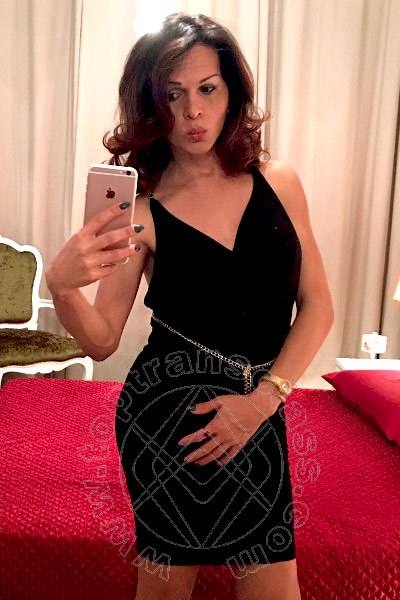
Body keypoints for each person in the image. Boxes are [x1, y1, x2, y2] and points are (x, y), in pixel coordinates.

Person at [46, 12, 334, 600]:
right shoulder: (140, 209)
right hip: (167, 418)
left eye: (207, 89)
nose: (193, 112)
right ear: (152, 105)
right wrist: (62, 287)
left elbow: (319, 306)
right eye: (172, 95)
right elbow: (100, 340)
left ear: (232, 92)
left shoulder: (279, 182)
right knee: (164, 593)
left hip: (259, 407)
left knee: (276, 590)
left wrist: (262, 403)